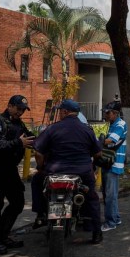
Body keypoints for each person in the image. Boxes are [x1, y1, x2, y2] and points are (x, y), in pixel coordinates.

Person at [31, 99, 104, 244]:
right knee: (92, 199)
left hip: (54, 173)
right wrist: (93, 165)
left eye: (60, 111)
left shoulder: (52, 128)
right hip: (82, 173)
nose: (59, 113)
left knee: (37, 180)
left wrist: (41, 168)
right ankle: (96, 232)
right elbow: (98, 154)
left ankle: (40, 214)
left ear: (64, 111)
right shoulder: (87, 130)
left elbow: (38, 153)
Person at [0, 95, 34, 255]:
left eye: (23, 110)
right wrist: (18, 143)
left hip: (9, 170)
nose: (20, 112)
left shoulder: (18, 123)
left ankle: (2, 235)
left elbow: (29, 138)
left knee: (17, 202)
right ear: (9, 106)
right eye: (18, 109)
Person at [100, 101, 127, 232]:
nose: (105, 115)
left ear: (115, 113)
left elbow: (111, 140)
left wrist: (95, 141)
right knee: (110, 194)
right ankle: (115, 218)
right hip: (109, 162)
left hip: (113, 163)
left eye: (107, 112)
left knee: (110, 195)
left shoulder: (120, 124)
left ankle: (110, 223)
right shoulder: (113, 124)